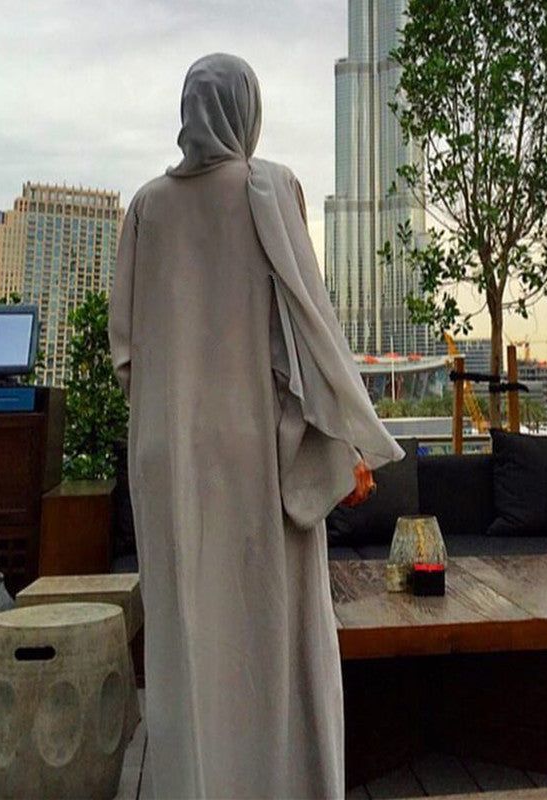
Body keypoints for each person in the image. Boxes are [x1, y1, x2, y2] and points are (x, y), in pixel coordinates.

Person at [108, 52, 405, 799]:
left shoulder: (145, 207)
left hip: (168, 456)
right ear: (248, 109)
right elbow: (308, 335)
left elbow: (126, 354)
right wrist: (343, 443)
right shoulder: (271, 188)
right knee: (275, 637)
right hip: (259, 456)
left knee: (186, 636)